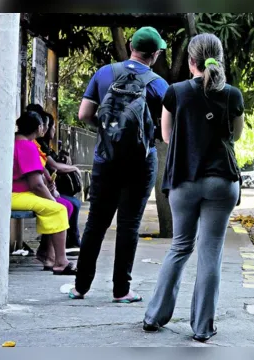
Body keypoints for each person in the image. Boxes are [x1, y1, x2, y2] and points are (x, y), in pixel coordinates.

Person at [142, 33, 244, 343]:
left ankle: (154, 317)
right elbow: (235, 136)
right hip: (222, 181)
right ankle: (202, 328)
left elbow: (168, 135)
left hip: (184, 180)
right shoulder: (232, 94)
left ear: (190, 62)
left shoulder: (174, 92)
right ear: (219, 59)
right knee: (210, 250)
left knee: (180, 247)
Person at [69, 27, 169, 303]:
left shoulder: (104, 73)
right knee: (128, 225)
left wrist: (106, 131)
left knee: (96, 224)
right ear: (156, 53)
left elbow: (84, 114)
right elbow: (165, 132)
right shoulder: (159, 84)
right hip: (140, 163)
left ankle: (80, 287)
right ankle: (121, 290)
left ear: (130, 46)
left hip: (106, 158)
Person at [11, 111, 77, 275]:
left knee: (61, 206)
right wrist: (52, 199)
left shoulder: (14, 141)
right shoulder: (26, 146)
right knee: (58, 208)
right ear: (40, 127)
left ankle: (51, 256)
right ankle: (60, 261)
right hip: (14, 194)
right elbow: (36, 185)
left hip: (14, 192)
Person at [35, 111, 83, 250]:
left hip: (47, 187)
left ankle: (55, 249)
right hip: (36, 189)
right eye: (52, 126)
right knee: (67, 204)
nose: (54, 130)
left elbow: (43, 169)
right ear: (41, 127)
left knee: (72, 203)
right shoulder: (34, 146)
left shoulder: (41, 146)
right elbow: (47, 168)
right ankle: (53, 250)